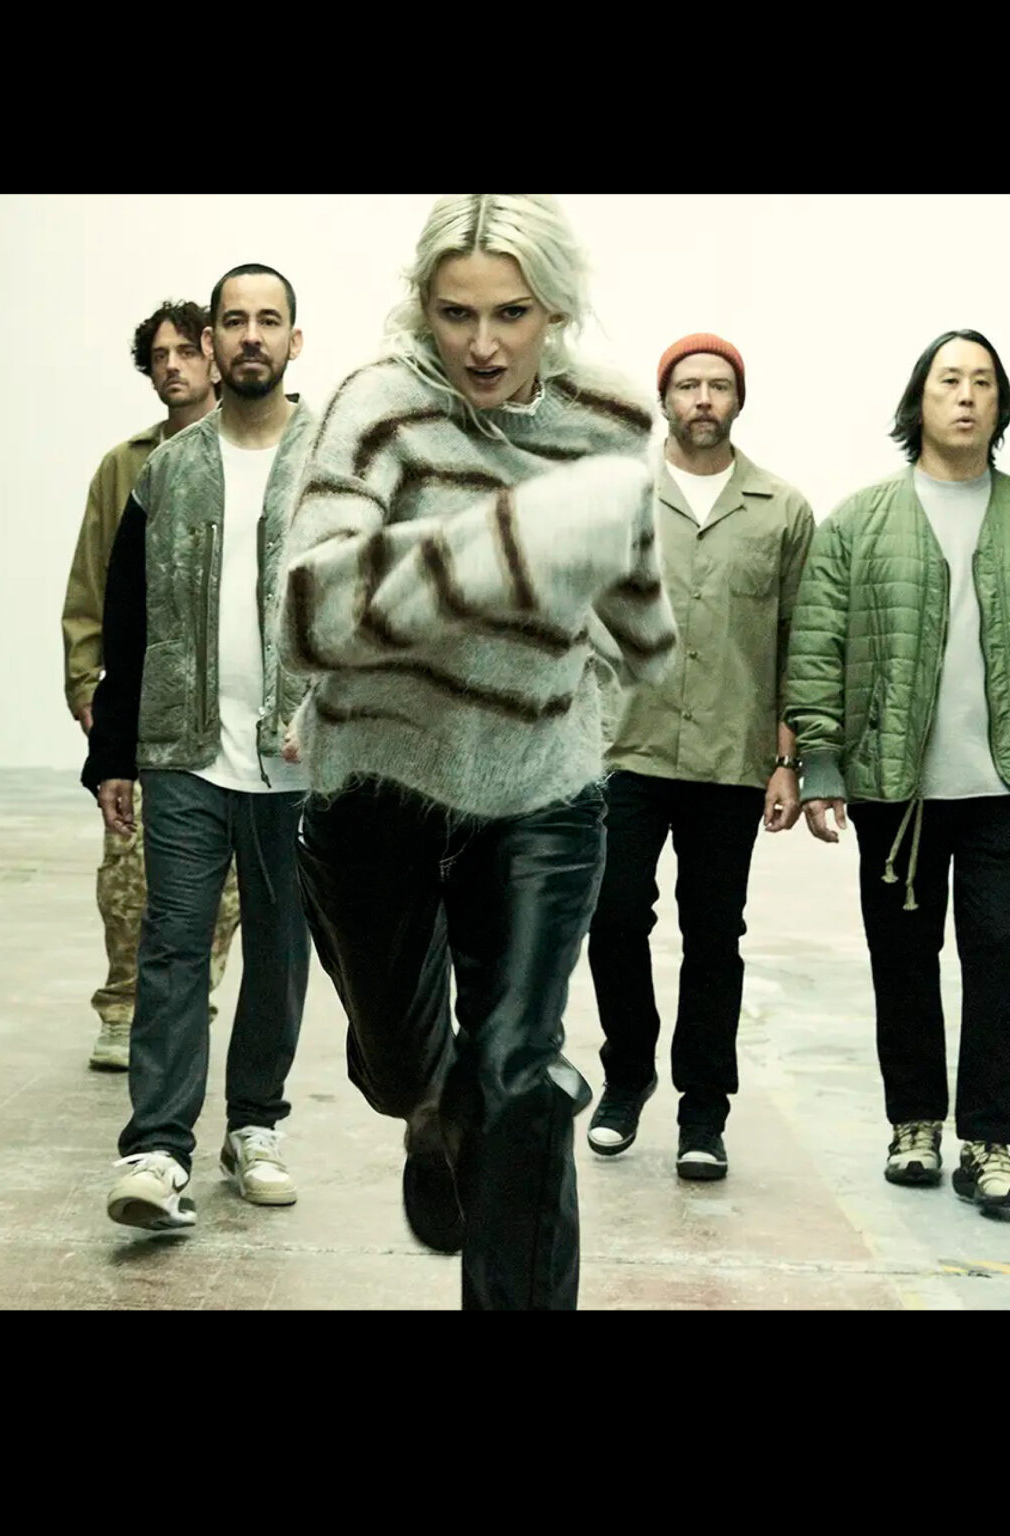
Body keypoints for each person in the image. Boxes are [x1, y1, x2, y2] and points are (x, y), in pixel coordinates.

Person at [280, 194, 677, 1310]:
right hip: (380, 787)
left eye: (513, 314)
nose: (485, 344)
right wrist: (511, 543)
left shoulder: (610, 415)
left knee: (522, 1078)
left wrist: (631, 623)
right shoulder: (375, 407)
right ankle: (429, 1109)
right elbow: (309, 610)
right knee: (402, 1069)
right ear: (425, 307)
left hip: (544, 788)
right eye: (458, 314)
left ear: (556, 310)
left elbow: (632, 603)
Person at [83, 264, 314, 1231]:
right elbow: (126, 614)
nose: (251, 335)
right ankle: (157, 1150)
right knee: (173, 947)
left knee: (281, 954)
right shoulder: (167, 471)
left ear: (295, 340)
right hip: (183, 749)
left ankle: (254, 1124)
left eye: (269, 320)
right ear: (212, 341)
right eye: (234, 320)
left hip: (300, 759)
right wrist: (112, 755)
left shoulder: (334, 462)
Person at [787, 328, 1010, 1220]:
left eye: (983, 382)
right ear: (919, 399)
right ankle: (914, 1122)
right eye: (950, 379)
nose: (966, 396)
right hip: (894, 788)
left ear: (1000, 405)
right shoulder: (859, 520)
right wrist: (820, 762)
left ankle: (992, 1139)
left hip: (1001, 792)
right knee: (905, 962)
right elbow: (816, 646)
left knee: (1002, 959)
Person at [584, 335, 815, 1180]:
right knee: (613, 917)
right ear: (665, 399)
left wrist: (789, 759)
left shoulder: (781, 510)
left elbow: (799, 641)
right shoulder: (619, 499)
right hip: (625, 748)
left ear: (739, 400)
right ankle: (627, 1074)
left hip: (730, 755)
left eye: (720, 385)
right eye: (689, 386)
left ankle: (703, 1112)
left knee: (715, 935)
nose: (704, 399)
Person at [61, 301, 241, 1072]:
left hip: (229, 703)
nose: (172, 365)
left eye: (185, 352)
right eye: (159, 355)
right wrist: (86, 683)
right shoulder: (125, 465)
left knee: (223, 884)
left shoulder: (248, 452)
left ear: (214, 358)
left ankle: (190, 999)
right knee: (128, 867)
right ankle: (124, 1002)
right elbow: (90, 583)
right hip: (143, 701)